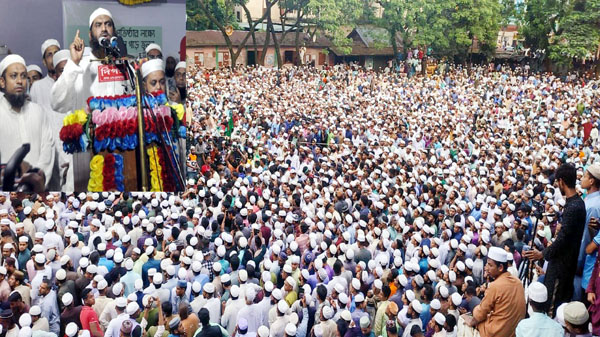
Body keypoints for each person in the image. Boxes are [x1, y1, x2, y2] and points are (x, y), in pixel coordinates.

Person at [524, 164, 587, 314]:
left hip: (562, 267)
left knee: (553, 308)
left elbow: (563, 239)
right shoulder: (575, 203)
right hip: (562, 263)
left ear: (561, 182)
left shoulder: (574, 207)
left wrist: (542, 254)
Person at [0, 54, 55, 190]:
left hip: (38, 188)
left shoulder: (38, 111)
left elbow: (48, 148)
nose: (20, 81)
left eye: (23, 76)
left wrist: (37, 177)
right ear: (2, 82)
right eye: (14, 76)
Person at [462, 247, 525, 337]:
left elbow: (480, 314)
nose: (486, 268)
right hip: (513, 332)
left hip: (495, 332)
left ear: (500, 267)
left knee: (472, 303)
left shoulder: (495, 286)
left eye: (490, 265)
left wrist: (472, 320)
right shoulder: (518, 282)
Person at [580, 163, 600, 298]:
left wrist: (577, 263)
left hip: (587, 267)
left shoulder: (593, 206)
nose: (582, 179)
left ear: (591, 181)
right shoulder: (590, 199)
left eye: (585, 176)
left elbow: (585, 240)